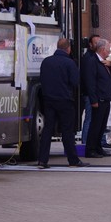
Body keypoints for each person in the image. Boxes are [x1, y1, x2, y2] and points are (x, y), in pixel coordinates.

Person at [36, 38, 89, 169]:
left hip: (48, 100)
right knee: (67, 131)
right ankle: (73, 160)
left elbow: (42, 79)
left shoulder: (46, 62)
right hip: (65, 100)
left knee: (47, 129)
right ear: (68, 48)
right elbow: (75, 82)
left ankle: (42, 160)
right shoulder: (70, 63)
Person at [81, 37, 111, 158]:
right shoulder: (92, 61)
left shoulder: (105, 61)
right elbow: (90, 82)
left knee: (102, 125)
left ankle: (98, 147)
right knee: (95, 125)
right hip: (98, 98)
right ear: (102, 50)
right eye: (108, 50)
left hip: (106, 98)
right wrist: (93, 99)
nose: (109, 52)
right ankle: (90, 149)